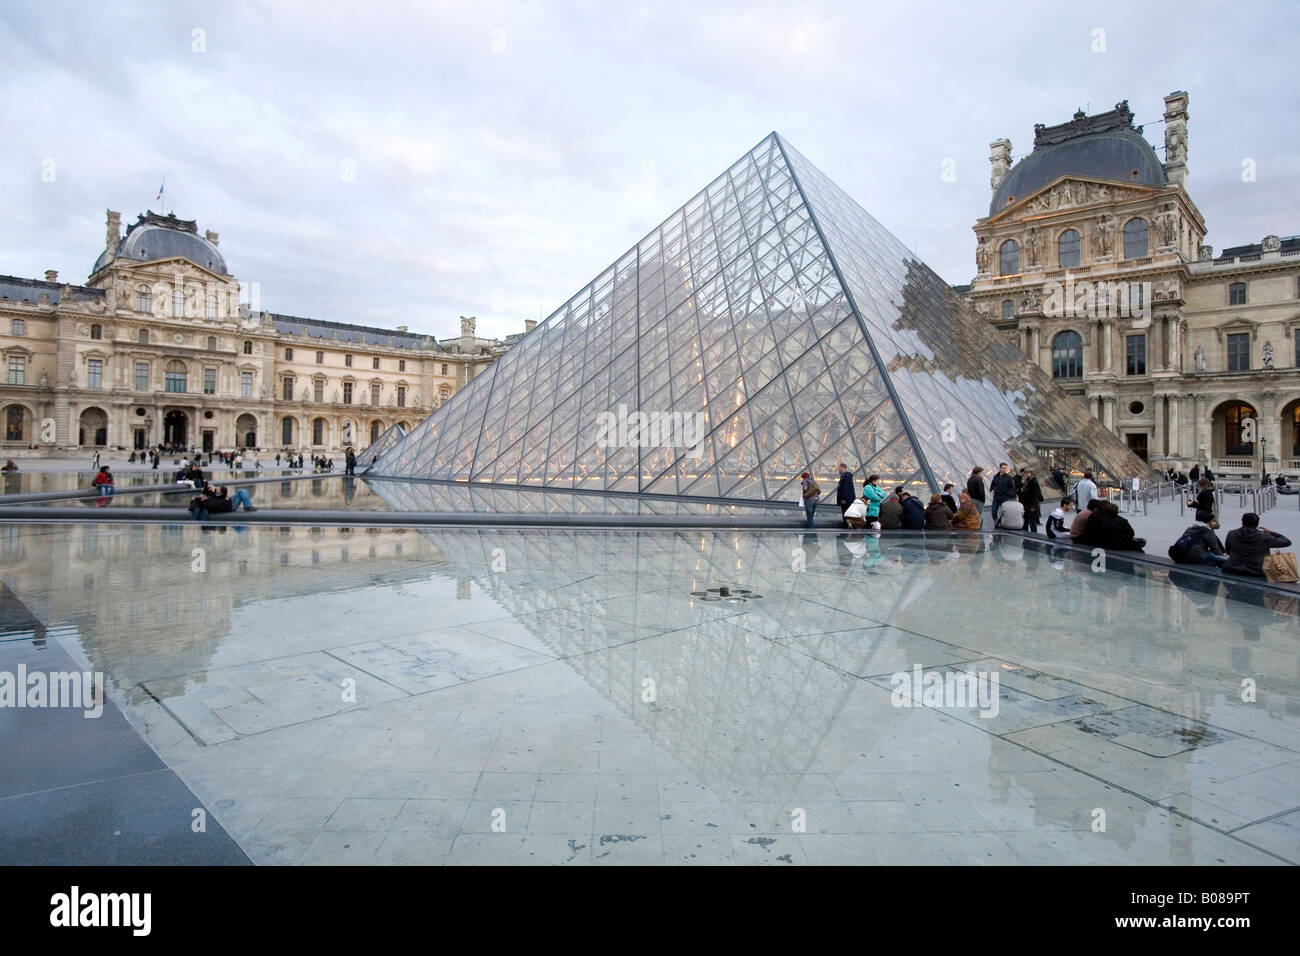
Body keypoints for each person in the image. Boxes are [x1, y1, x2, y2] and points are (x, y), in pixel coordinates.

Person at [1222, 513, 1291, 577]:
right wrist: (1270, 532)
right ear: (1257, 524)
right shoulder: (1264, 536)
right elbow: (1287, 542)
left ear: (1242, 522)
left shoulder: (1232, 534)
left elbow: (1228, 551)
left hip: (1233, 569)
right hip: (1257, 572)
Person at [1080, 500, 1145, 551]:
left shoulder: (1093, 517)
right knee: (1136, 547)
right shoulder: (1120, 520)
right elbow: (1130, 533)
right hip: (1112, 544)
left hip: (1097, 542)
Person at [835, 462, 856, 527]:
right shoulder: (847, 476)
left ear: (842, 468)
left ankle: (847, 528)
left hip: (846, 500)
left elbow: (845, 488)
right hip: (848, 499)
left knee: (845, 514)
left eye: (839, 468)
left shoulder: (845, 477)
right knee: (846, 514)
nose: (838, 470)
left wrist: (843, 498)